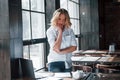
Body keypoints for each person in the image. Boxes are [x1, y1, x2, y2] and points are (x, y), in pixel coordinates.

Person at [46, 8, 77, 72]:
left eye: (64, 19)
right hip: (55, 63)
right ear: (55, 18)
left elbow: (74, 47)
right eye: (59, 19)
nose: (61, 22)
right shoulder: (50, 31)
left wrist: (61, 52)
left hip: (68, 63)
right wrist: (60, 31)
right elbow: (56, 48)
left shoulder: (70, 31)